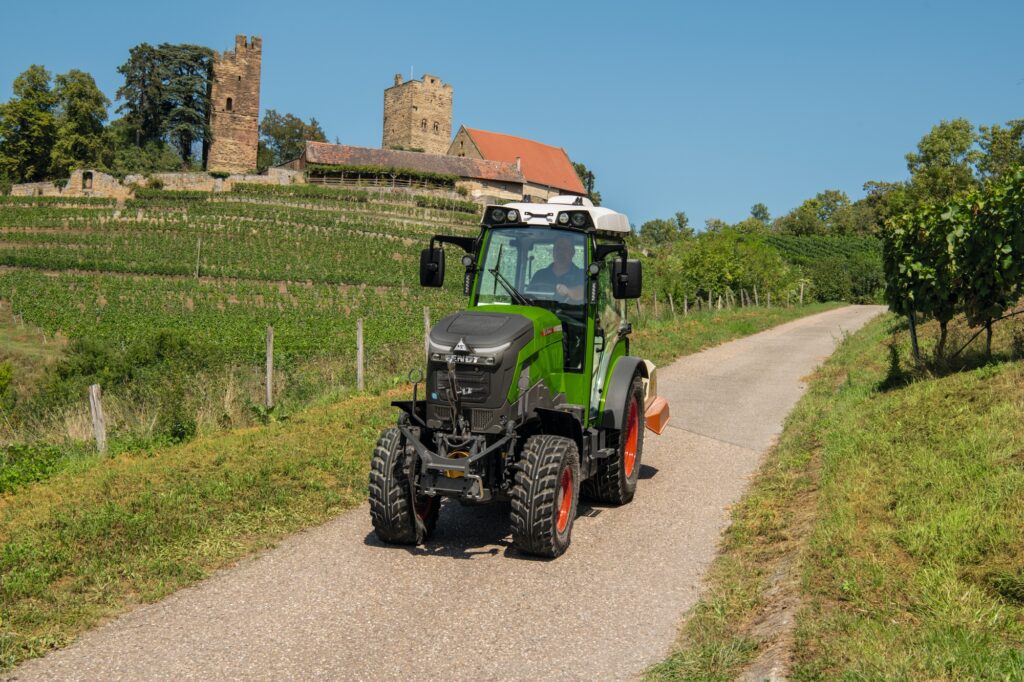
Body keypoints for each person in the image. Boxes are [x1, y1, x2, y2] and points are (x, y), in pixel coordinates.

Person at [529, 235, 584, 303]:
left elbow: (583, 292)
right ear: (553, 251)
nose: (560, 252)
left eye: (565, 249)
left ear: (572, 252)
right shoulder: (540, 275)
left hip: (571, 313)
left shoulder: (581, 274)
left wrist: (568, 291)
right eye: (558, 248)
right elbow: (529, 298)